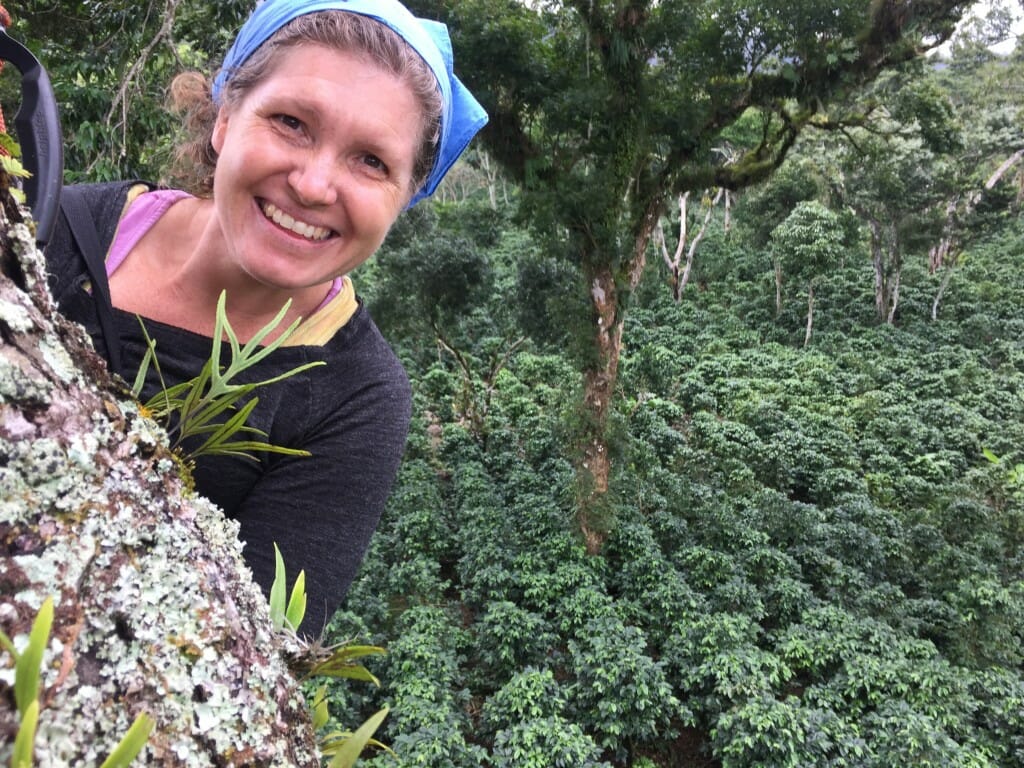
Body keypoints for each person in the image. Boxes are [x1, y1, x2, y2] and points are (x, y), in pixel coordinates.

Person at [44, 0, 487, 634]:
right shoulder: (50, 227)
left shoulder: (356, 395)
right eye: (291, 122)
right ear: (225, 116)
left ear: (406, 197)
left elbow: (254, 648)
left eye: (371, 161)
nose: (313, 185)